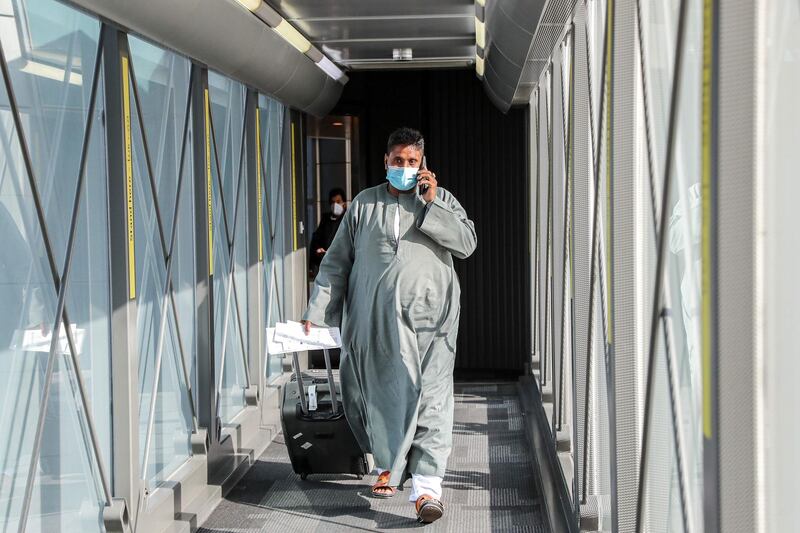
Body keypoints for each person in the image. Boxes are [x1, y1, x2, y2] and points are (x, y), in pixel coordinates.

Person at [301, 127, 476, 524]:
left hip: (434, 323)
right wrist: (317, 312)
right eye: (398, 161)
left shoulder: (440, 200)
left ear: (423, 165)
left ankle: (427, 491)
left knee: (433, 398)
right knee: (381, 396)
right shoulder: (364, 205)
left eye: (412, 162)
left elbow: (467, 243)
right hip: (377, 323)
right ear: (386, 161)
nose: (405, 168)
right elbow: (336, 264)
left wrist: (432, 203)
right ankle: (388, 465)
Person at [309, 187, 347, 279]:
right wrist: (318, 249)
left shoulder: (347, 219)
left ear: (344, 204)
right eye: (333, 202)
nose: (335, 205)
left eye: (338, 202)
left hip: (342, 265)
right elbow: (317, 237)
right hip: (326, 263)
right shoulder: (326, 219)